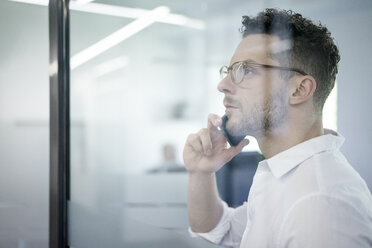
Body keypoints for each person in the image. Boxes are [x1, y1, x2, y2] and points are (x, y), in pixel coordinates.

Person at [183, 8, 372, 248]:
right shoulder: (285, 174)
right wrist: (200, 173)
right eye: (229, 71)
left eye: (247, 70)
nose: (222, 85)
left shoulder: (321, 204)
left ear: (299, 90)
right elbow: (220, 231)